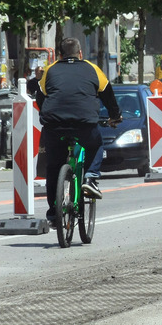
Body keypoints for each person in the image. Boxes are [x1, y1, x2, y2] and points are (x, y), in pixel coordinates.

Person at [36, 38, 121, 227]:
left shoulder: (51, 69)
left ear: (59, 55)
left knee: (53, 167)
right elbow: (108, 96)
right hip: (84, 123)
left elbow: (40, 97)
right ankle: (90, 178)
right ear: (80, 53)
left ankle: (53, 213)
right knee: (96, 144)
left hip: (54, 125)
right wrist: (115, 116)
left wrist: (48, 114)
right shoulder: (93, 69)